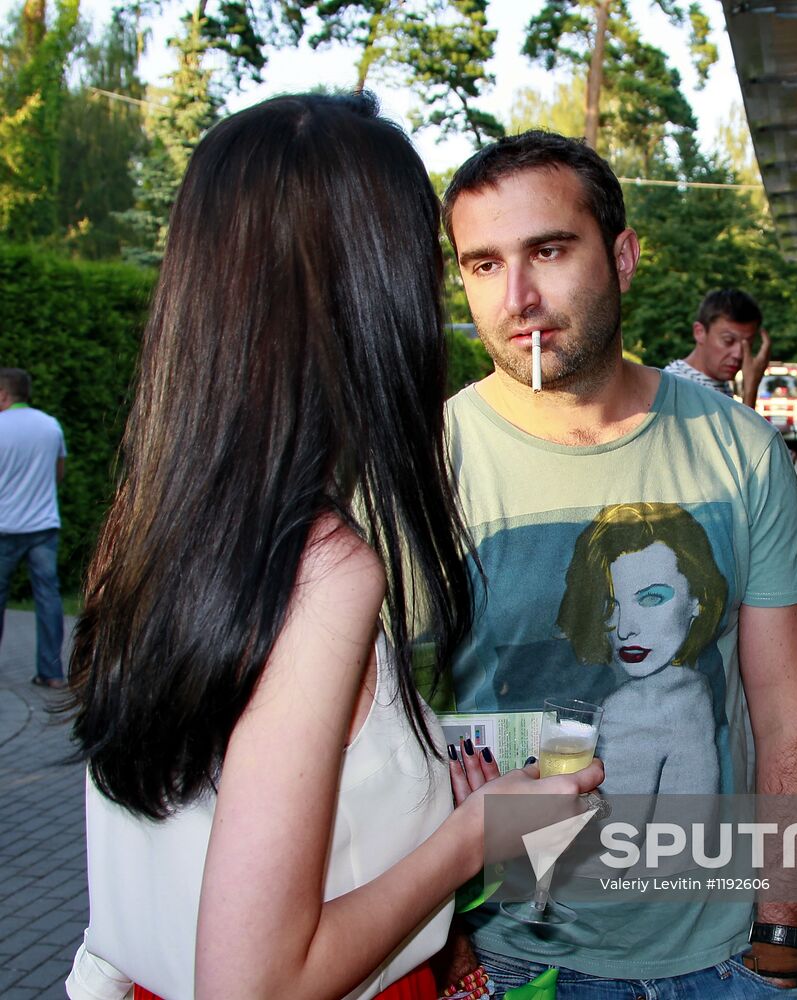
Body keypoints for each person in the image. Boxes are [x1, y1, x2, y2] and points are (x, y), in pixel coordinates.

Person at [64, 94, 601, 1000]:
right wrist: (475, 837)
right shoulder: (323, 568)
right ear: (373, 292)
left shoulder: (148, 524)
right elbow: (256, 982)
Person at [441, 130, 797, 996]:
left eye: (548, 250)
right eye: (482, 265)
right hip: (507, 959)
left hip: (720, 959)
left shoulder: (738, 450)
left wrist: (781, 938)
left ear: (621, 256)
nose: (519, 297)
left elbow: (791, 716)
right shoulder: (425, 465)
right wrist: (447, 951)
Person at [557, 502, 727, 798]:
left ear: (697, 597)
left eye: (650, 599)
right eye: (611, 605)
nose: (624, 629)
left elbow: (608, 833)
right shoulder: (695, 690)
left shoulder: (634, 706)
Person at [0, 367, 67, 690]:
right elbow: (58, 473)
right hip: (43, 527)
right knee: (48, 598)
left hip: (4, 526)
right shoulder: (50, 426)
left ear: (3, 394)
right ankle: (52, 672)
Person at [664, 288, 771, 407]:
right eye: (728, 341)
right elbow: (741, 426)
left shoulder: (719, 385)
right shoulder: (677, 389)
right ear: (699, 332)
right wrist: (751, 387)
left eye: (748, 345)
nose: (739, 354)